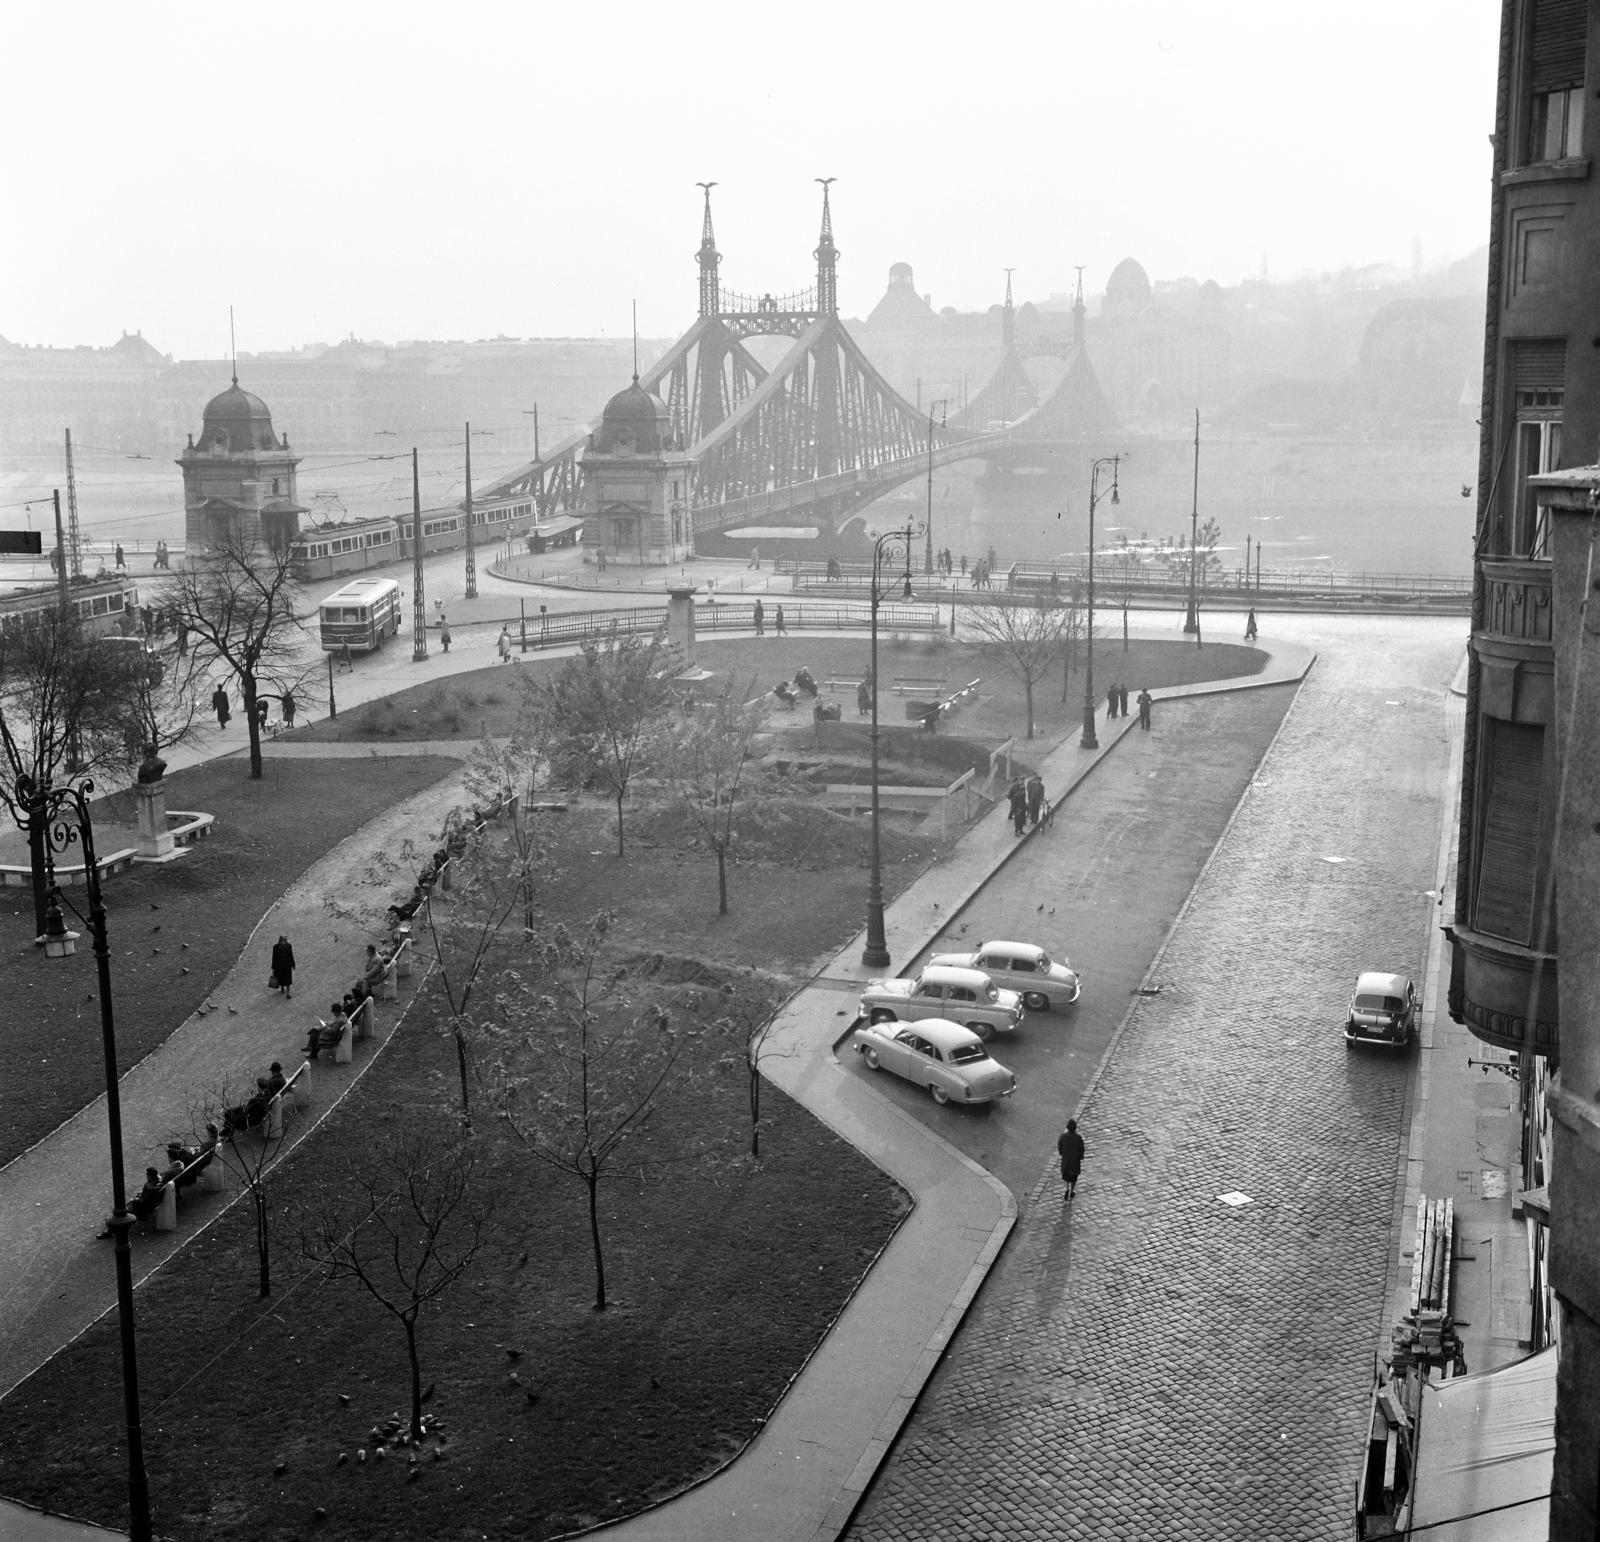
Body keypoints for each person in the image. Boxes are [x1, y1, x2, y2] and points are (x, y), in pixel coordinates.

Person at [1057, 1119, 1086, 1199]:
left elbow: (1060, 1148)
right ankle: (1071, 1191)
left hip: (1066, 1161)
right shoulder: (1078, 1138)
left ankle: (1066, 1189)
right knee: (1073, 1178)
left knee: (1065, 1176)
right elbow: (1082, 1149)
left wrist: (1062, 1153)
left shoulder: (1062, 1137)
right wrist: (1081, 1156)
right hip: (1075, 1162)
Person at [270, 935, 296, 1000]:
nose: (284, 942)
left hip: (287, 966)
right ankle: (282, 988)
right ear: (280, 941)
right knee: (280, 978)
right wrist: (273, 967)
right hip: (279, 966)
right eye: (283, 941)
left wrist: (293, 964)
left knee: (288, 980)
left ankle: (288, 993)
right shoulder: (275, 947)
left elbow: (291, 955)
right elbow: (274, 958)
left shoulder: (289, 946)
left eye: (285, 941)